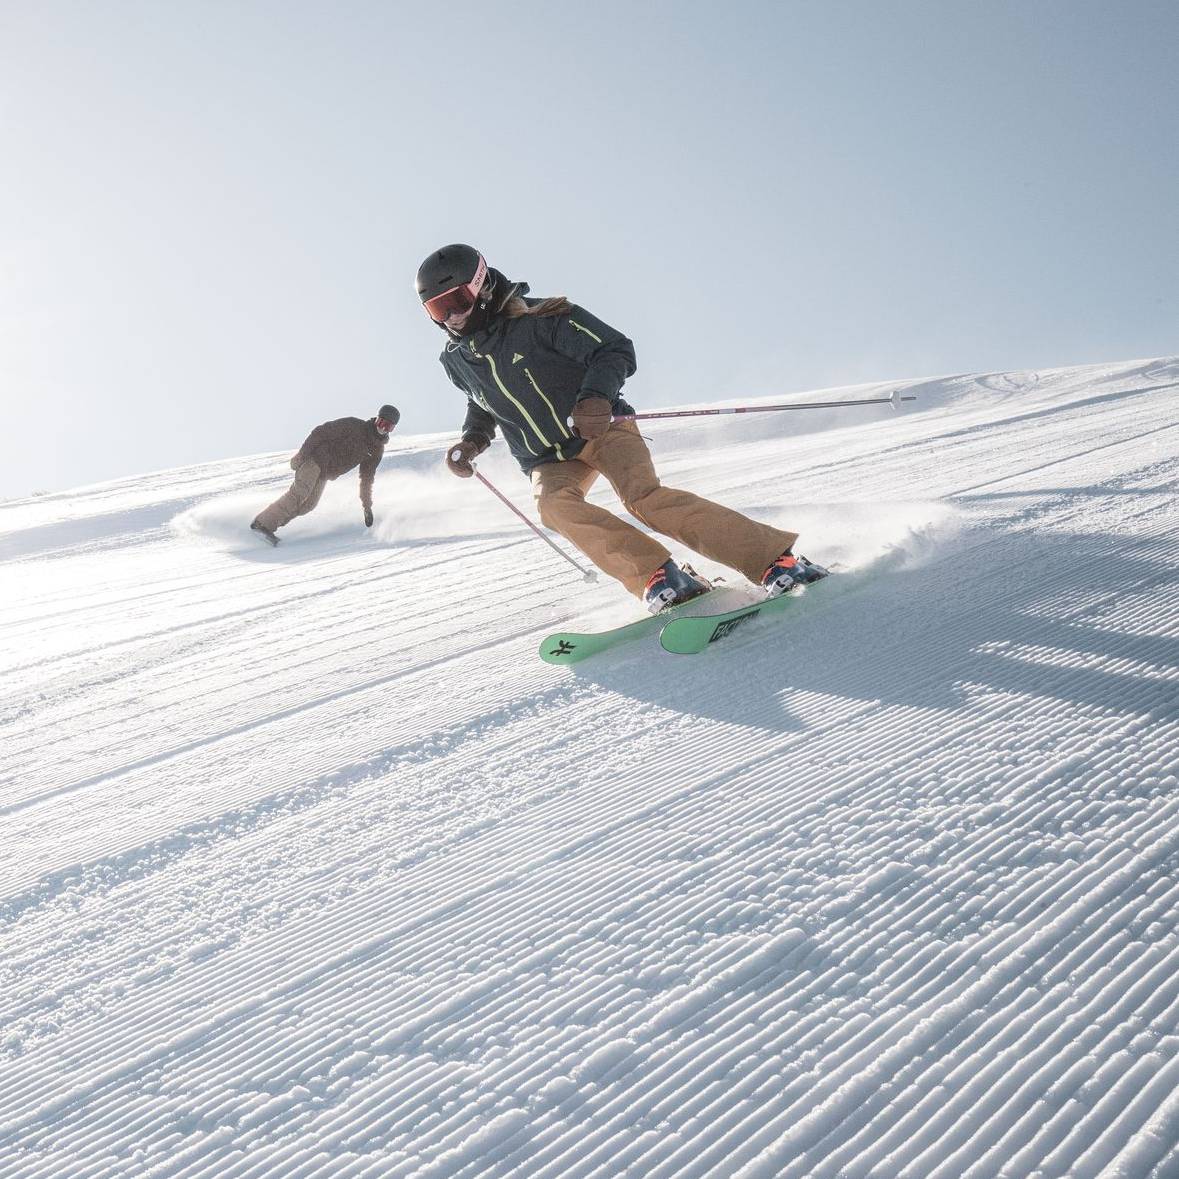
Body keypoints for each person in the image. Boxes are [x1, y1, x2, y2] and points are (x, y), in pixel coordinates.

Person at [415, 244, 825, 610]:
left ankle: (775, 559)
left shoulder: (543, 317)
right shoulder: (455, 360)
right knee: (553, 506)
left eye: (458, 300)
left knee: (644, 498)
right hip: (546, 456)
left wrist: (595, 396)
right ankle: (660, 576)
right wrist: (472, 440)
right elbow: (482, 400)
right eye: (438, 309)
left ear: (482, 285)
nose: (451, 317)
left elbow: (613, 349)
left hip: (601, 428)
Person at [250, 405, 400, 545]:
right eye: (381, 422)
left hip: (325, 474)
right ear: (376, 419)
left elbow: (367, 478)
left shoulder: (376, 450)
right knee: (300, 493)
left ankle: (270, 525)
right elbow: (321, 432)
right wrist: (302, 455)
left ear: (392, 429)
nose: (382, 428)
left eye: (388, 426)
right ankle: (262, 525)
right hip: (316, 459)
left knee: (308, 505)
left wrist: (367, 506)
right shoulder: (354, 425)